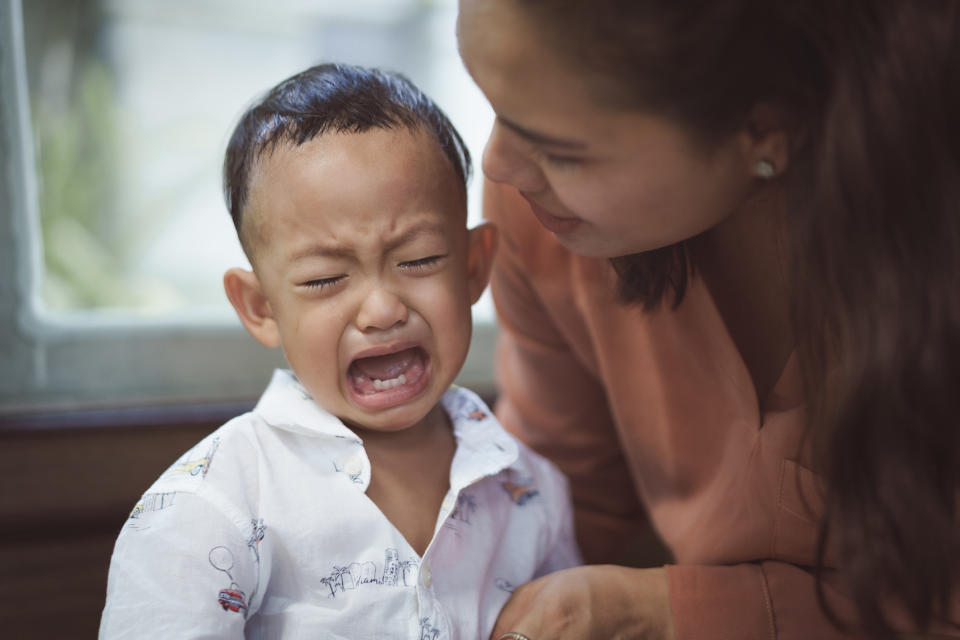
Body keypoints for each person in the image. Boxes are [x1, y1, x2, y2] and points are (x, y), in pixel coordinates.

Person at [456, 0, 960, 639]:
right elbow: (563, 496)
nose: (498, 163)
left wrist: (680, 613)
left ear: (766, 128)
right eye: (495, 105)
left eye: (562, 150)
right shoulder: (543, 220)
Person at [98, 63, 580, 639]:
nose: (381, 310)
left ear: (474, 268)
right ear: (260, 307)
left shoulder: (531, 491)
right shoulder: (209, 508)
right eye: (325, 278)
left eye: (419, 260)